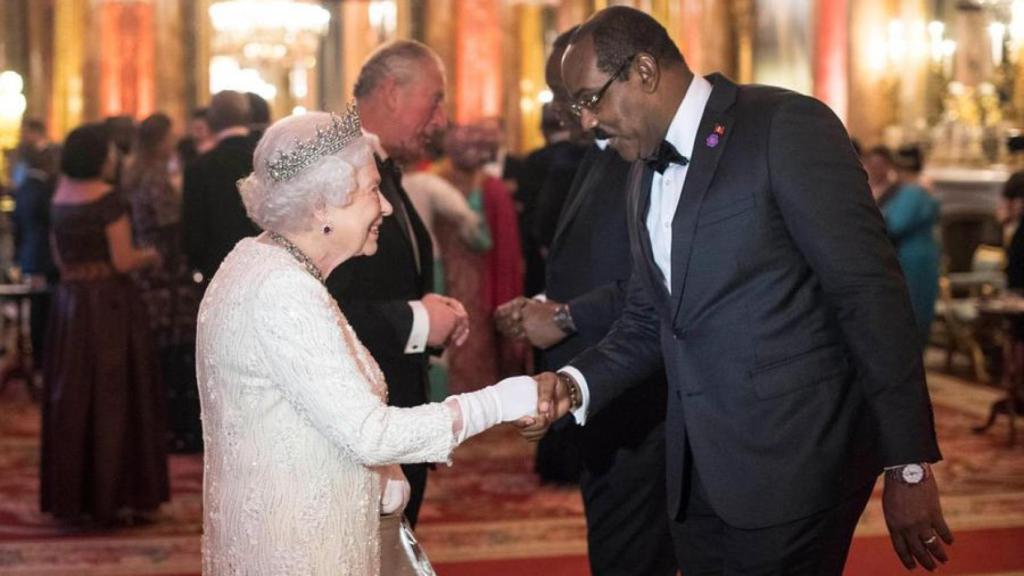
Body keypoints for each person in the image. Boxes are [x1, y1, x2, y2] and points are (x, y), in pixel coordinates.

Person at [523, 7, 951, 574]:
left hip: (795, 466)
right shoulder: (639, 173)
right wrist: (574, 385)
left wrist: (909, 464)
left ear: (644, 71)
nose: (586, 122)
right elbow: (650, 320)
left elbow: (869, 295)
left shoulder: (785, 126)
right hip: (695, 474)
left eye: (590, 99)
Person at [198, 109, 538, 575]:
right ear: (322, 206)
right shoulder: (284, 289)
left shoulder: (262, 261)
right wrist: (499, 401)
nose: (386, 207)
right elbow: (370, 435)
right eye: (372, 191)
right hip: (305, 554)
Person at [496, 25, 677, 576]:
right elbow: (595, 258)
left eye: (575, 95)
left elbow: (656, 280)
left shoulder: (643, 154)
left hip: (638, 397)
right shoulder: (600, 154)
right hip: (602, 392)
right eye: (559, 94)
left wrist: (569, 316)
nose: (564, 110)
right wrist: (543, 303)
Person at [325, 40, 469, 527]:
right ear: (391, 92)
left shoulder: (379, 166)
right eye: (435, 99)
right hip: (358, 427)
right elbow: (323, 309)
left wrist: (429, 311)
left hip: (393, 410)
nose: (442, 119)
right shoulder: (339, 171)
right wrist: (419, 320)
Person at [41, 123, 167, 525]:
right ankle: (117, 493)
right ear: (99, 157)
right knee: (115, 396)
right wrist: (152, 255)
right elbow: (122, 260)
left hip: (70, 307)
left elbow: (59, 261)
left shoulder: (58, 198)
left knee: (74, 397)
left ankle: (75, 495)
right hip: (109, 308)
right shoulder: (109, 200)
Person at [124, 112, 204, 452]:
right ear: (161, 140)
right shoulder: (155, 178)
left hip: (149, 271)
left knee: (160, 350)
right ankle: (177, 427)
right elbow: (171, 223)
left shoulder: (133, 173)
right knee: (175, 351)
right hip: (165, 272)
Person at [182, 90, 261, 284]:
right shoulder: (265, 158)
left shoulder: (198, 167)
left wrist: (197, 269)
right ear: (247, 117)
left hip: (218, 269)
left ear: (212, 122)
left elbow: (194, 227)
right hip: (266, 264)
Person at [864, 146, 940, 345]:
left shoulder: (911, 192)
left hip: (912, 258)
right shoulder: (920, 189)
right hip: (922, 255)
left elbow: (895, 225)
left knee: (911, 311)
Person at [11, 145, 58, 369]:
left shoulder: (23, 188)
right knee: (43, 310)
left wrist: (17, 257)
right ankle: (42, 358)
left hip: (30, 255)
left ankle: (38, 357)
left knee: (38, 309)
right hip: (44, 256)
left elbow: (17, 227)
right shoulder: (45, 190)